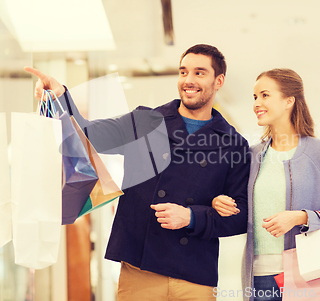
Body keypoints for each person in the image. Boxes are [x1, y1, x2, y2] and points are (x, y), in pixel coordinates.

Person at [25, 44, 250, 301]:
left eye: (199, 73)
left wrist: (191, 217)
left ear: (218, 80)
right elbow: (88, 136)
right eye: (183, 71)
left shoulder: (233, 143)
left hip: (195, 274)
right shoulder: (146, 121)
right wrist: (61, 96)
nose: (188, 80)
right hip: (140, 270)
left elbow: (241, 216)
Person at [212, 68, 320, 301]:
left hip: (311, 273)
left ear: (289, 100)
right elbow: (238, 207)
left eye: (265, 95)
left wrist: (301, 217)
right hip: (259, 276)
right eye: (254, 97)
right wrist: (219, 201)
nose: (256, 103)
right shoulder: (251, 156)